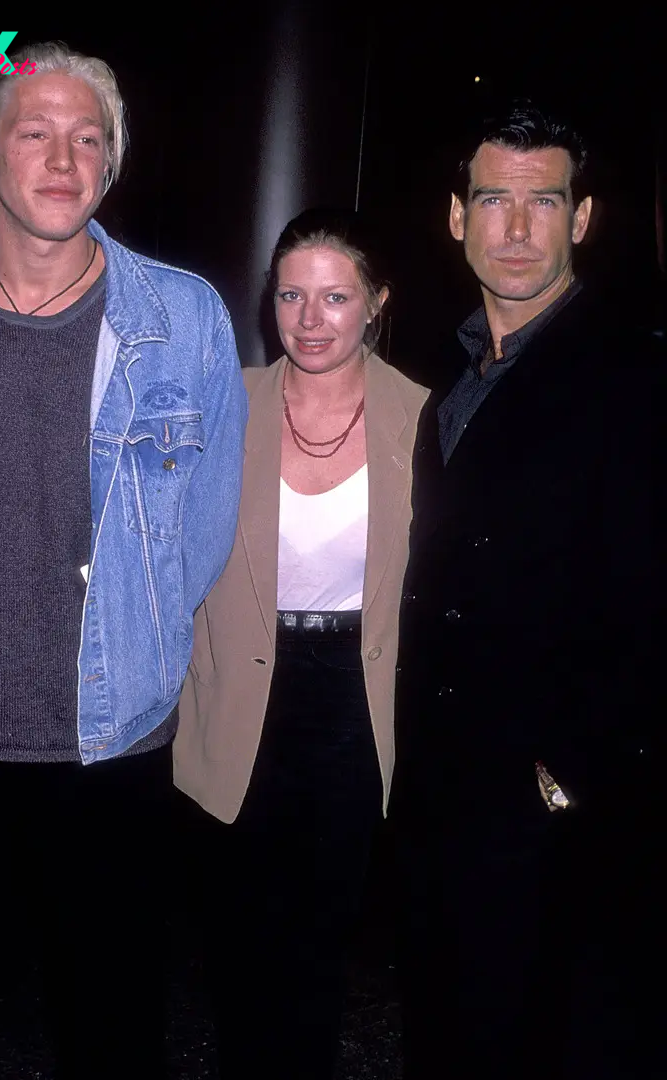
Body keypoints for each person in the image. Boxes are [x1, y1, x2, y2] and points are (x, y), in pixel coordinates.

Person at [0, 42, 246, 1080]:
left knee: (112, 1029)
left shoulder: (183, 317)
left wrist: (144, 651)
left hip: (108, 743)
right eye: (34, 131)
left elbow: (204, 527)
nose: (62, 158)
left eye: (90, 138)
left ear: (112, 164)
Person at [393, 98, 662, 1080]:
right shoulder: (446, 374)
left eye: (540, 203)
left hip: (554, 819)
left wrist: (568, 775)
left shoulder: (634, 375)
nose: (513, 229)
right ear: (455, 217)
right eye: (491, 201)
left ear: (579, 218)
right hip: (437, 801)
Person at [173, 208, 428, 1079]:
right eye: (291, 295)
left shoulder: (423, 421)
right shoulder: (224, 405)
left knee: (321, 945)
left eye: (335, 297)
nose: (310, 319)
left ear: (376, 304)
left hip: (354, 700)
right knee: (238, 943)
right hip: (239, 693)